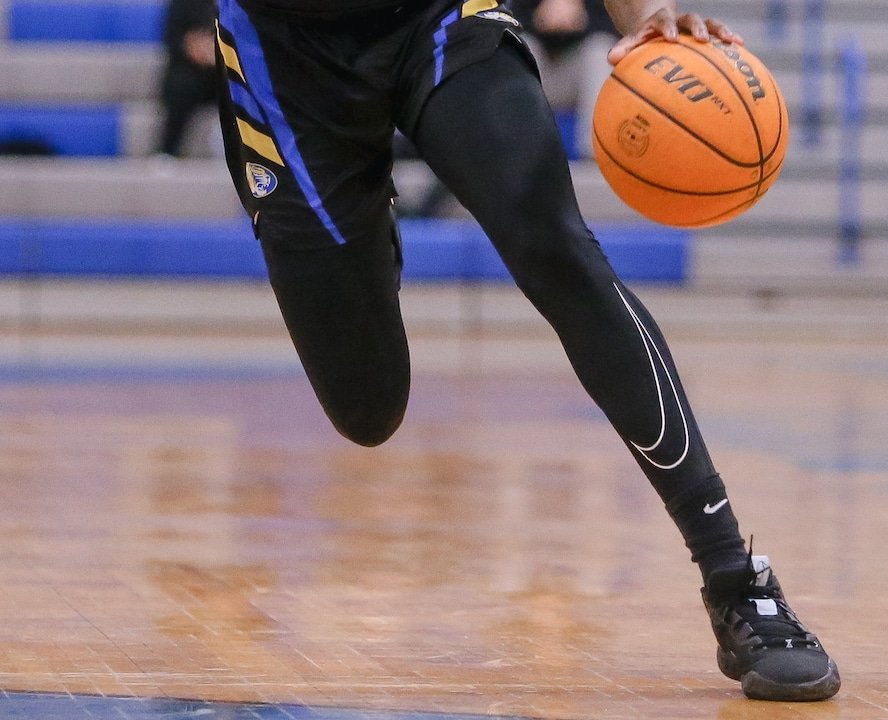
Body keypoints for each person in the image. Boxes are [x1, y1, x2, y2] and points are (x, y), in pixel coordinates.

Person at [212, 0, 839, 702]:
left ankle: (734, 577)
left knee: (556, 247)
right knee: (366, 407)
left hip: (440, 20)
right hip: (283, 53)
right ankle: (363, 210)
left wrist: (645, 13)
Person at [511, 0, 617, 158]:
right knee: (520, 45)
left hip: (580, 76)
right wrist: (537, 20)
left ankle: (596, 155)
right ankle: (519, 155)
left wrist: (583, 19)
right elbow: (503, 25)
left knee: (600, 50)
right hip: (540, 72)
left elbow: (622, 32)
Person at [157, 0, 219, 156]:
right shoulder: (184, 3)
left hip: (230, 72)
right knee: (181, 86)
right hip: (192, 71)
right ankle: (168, 151)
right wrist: (194, 47)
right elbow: (172, 37)